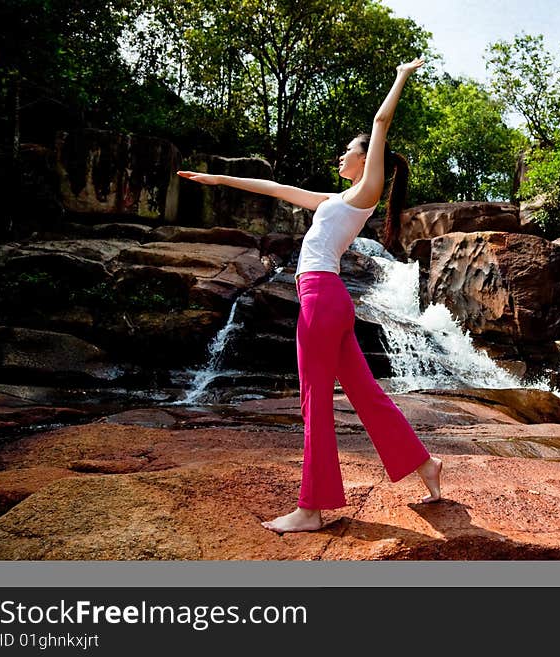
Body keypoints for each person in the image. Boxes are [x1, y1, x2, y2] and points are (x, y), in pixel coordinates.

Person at [177, 58, 442, 533]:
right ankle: (425, 465)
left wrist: (401, 75)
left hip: (321, 298)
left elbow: (381, 122)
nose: (341, 156)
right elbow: (277, 188)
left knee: (315, 400)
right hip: (328, 298)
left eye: (348, 150)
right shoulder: (334, 200)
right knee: (362, 391)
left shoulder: (366, 191)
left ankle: (312, 508)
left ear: (367, 159)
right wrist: (218, 180)